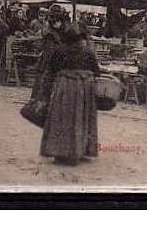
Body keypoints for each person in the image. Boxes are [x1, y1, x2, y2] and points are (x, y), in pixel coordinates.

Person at [39, 23, 102, 165]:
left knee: (61, 118)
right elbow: (97, 71)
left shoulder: (59, 51)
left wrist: (45, 92)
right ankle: (80, 150)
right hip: (83, 88)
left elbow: (51, 70)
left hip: (64, 87)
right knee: (81, 118)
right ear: (81, 38)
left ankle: (58, 150)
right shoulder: (88, 52)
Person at [30, 4, 68, 102]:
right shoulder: (49, 26)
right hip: (49, 54)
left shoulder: (57, 26)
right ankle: (37, 99)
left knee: (45, 77)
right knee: (43, 77)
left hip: (52, 55)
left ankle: (39, 99)